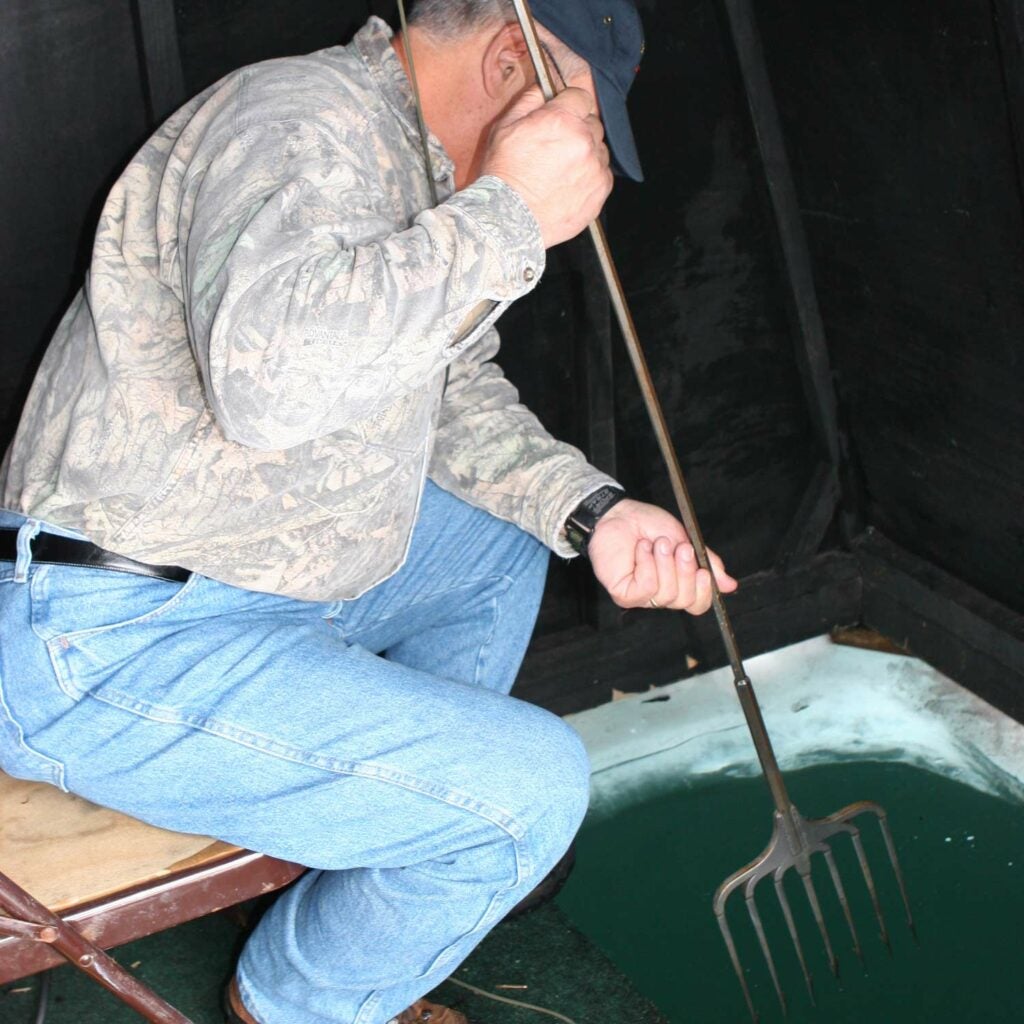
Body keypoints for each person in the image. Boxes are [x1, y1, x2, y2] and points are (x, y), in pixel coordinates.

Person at [0, 1, 737, 1021]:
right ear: (514, 59)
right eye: (587, 116)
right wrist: (509, 216)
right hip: (108, 637)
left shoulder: (413, 164)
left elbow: (450, 396)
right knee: (530, 792)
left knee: (496, 545)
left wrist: (590, 511)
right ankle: (304, 1001)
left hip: (251, 578)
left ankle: (379, 849)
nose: (593, 154)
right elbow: (270, 387)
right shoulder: (300, 121)